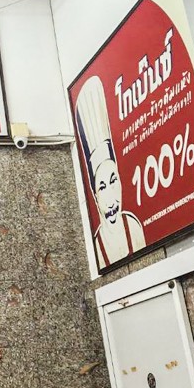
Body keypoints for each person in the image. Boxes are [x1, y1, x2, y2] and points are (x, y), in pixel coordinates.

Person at [74, 75, 146, 268]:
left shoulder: (133, 226)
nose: (112, 200)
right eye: (102, 187)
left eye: (114, 181)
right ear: (95, 195)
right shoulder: (97, 250)